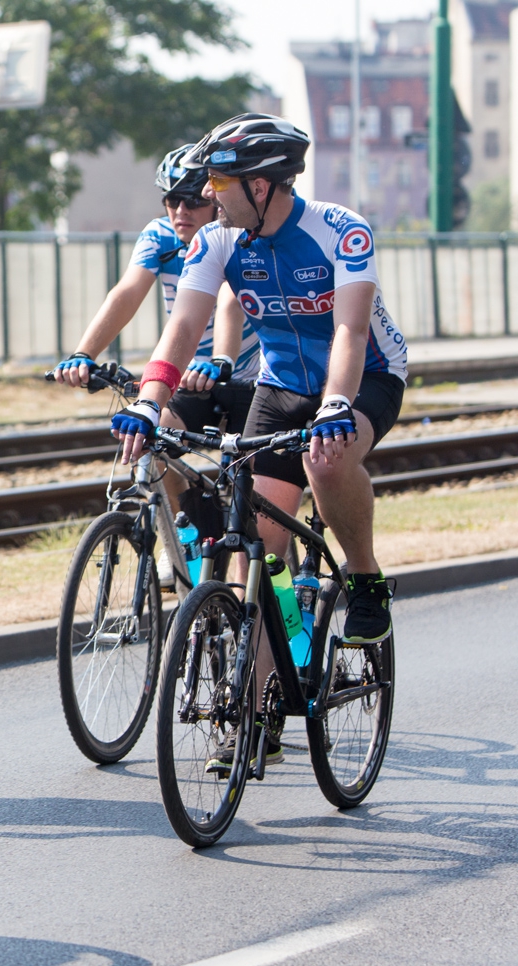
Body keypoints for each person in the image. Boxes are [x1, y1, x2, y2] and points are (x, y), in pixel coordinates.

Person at [110, 114, 407, 644]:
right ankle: (266, 700)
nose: (205, 193)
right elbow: (181, 329)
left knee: (326, 460)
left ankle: (365, 577)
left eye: (218, 182)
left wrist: (336, 403)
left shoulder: (340, 230)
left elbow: (351, 332)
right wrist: (150, 403)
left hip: (364, 377)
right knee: (262, 552)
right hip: (282, 383)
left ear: (261, 186)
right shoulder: (217, 241)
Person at [53, 145, 260, 538]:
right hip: (187, 377)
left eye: (191, 201)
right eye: (170, 200)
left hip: (246, 377)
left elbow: (230, 301)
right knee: (150, 441)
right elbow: (127, 292)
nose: (180, 211)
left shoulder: (234, 234)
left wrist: (220, 360)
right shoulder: (160, 235)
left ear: (214, 199)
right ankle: (182, 537)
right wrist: (84, 353)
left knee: (251, 496)